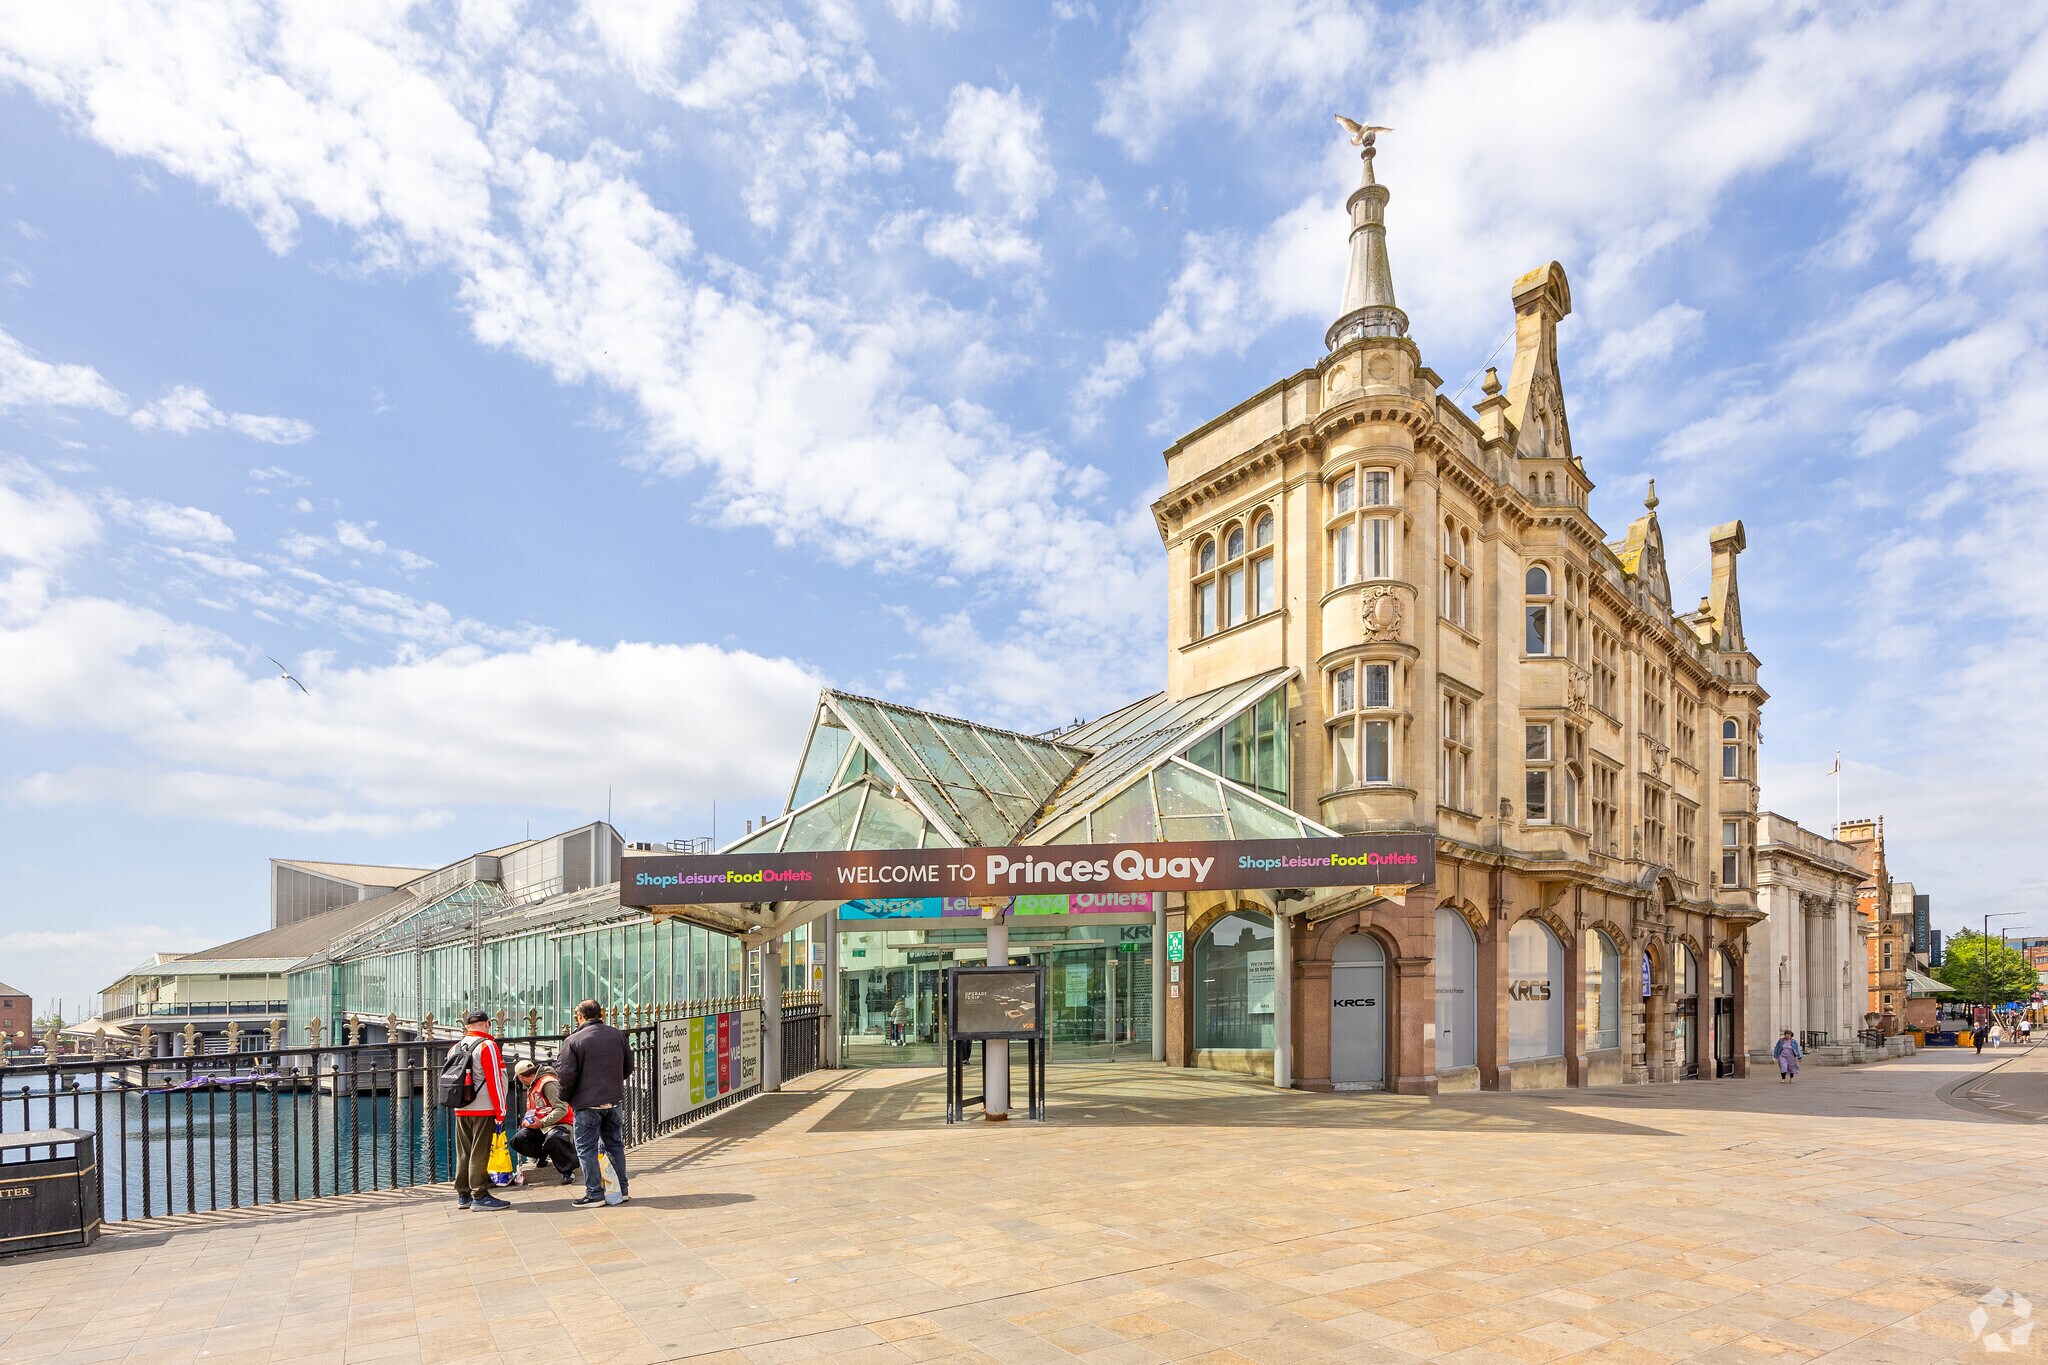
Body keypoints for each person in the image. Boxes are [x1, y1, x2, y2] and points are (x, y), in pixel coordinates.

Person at [557, 999, 631, 1207]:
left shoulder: (573, 1040)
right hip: (613, 1099)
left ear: (580, 1016)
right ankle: (621, 1189)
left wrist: (566, 1097)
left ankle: (595, 1193)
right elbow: (628, 1066)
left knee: (586, 1147)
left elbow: (566, 1075)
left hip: (587, 1103)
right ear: (600, 1014)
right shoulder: (618, 1035)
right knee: (614, 1143)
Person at [451, 1009, 510, 1211]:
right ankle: (480, 1195)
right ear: (487, 1023)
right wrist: (501, 1109)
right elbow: (495, 1080)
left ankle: (463, 1194)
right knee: (480, 1152)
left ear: (466, 1026)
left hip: (461, 1107)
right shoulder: (488, 1046)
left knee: (464, 1152)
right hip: (484, 1107)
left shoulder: (455, 1047)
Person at [508, 1058, 578, 1184]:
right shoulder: (534, 1084)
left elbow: (561, 1108)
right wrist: (527, 1121)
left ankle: (567, 1171)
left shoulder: (548, 1083)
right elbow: (535, 1109)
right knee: (518, 1139)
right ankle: (542, 1154)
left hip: (560, 1123)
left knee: (554, 1137)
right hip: (542, 1125)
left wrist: (542, 1122)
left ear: (520, 1077)